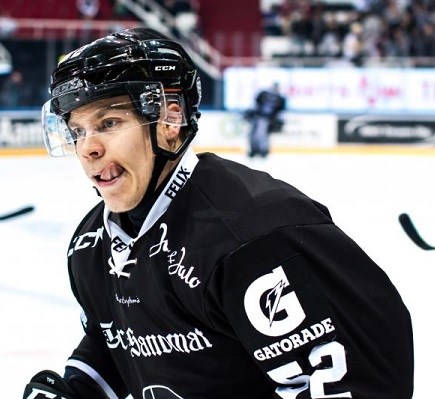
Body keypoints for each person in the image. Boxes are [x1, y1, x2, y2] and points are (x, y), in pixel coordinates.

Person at [24, 28, 414, 398]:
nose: (87, 148)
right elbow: (118, 337)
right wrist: (79, 389)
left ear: (170, 120)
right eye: (77, 131)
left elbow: (354, 381)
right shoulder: (91, 245)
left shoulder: (254, 239)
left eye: (108, 123)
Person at [247, 81, 286, 158]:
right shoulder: (263, 94)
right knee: (253, 134)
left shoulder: (280, 99)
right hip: (258, 117)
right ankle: (254, 149)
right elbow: (255, 105)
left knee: (262, 134)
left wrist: (275, 120)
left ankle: (263, 150)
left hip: (268, 120)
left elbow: (280, 112)